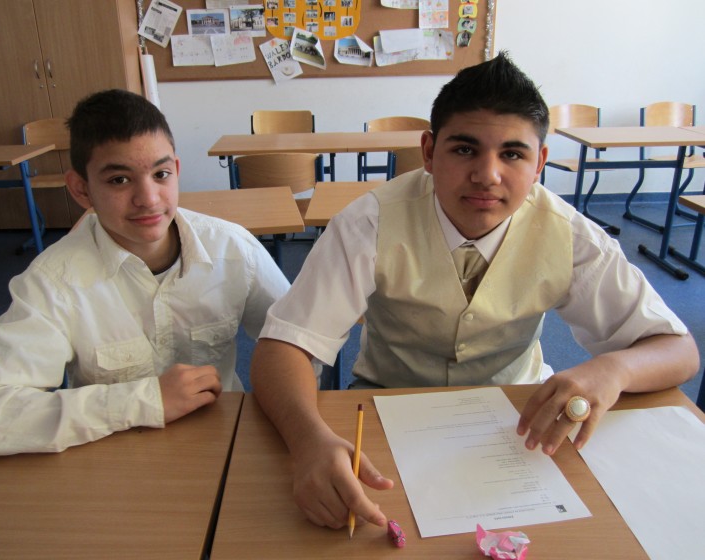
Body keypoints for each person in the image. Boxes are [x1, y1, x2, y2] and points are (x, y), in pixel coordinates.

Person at [249, 52, 700, 530]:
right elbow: (283, 346)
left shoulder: (570, 234)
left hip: (519, 415)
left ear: (540, 162)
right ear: (428, 152)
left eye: (513, 154)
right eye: (465, 150)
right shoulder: (370, 223)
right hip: (388, 407)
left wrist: (613, 368)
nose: (488, 175)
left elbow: (678, 350)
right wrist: (307, 440)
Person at [0, 89, 289, 456]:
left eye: (161, 174)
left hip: (223, 443)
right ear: (81, 189)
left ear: (177, 171)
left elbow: (297, 345)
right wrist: (144, 401)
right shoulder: (56, 280)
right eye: (119, 180)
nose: (148, 198)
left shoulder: (234, 249)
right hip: (112, 454)